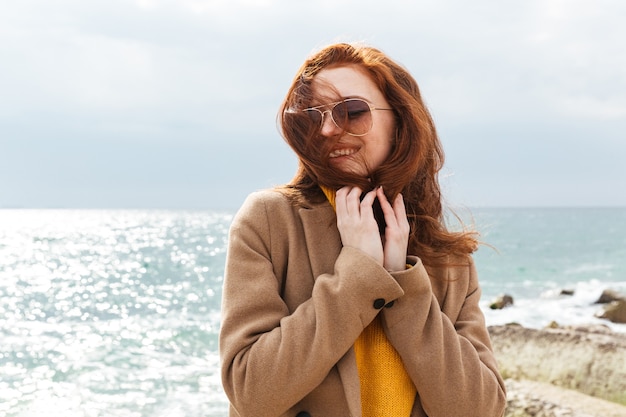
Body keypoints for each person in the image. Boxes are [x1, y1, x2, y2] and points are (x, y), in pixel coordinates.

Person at [219, 42, 506, 417]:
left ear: (401, 120)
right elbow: (251, 392)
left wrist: (402, 282)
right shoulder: (271, 220)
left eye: (351, 111)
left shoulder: (446, 258)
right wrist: (357, 274)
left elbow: (481, 410)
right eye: (311, 116)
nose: (326, 130)